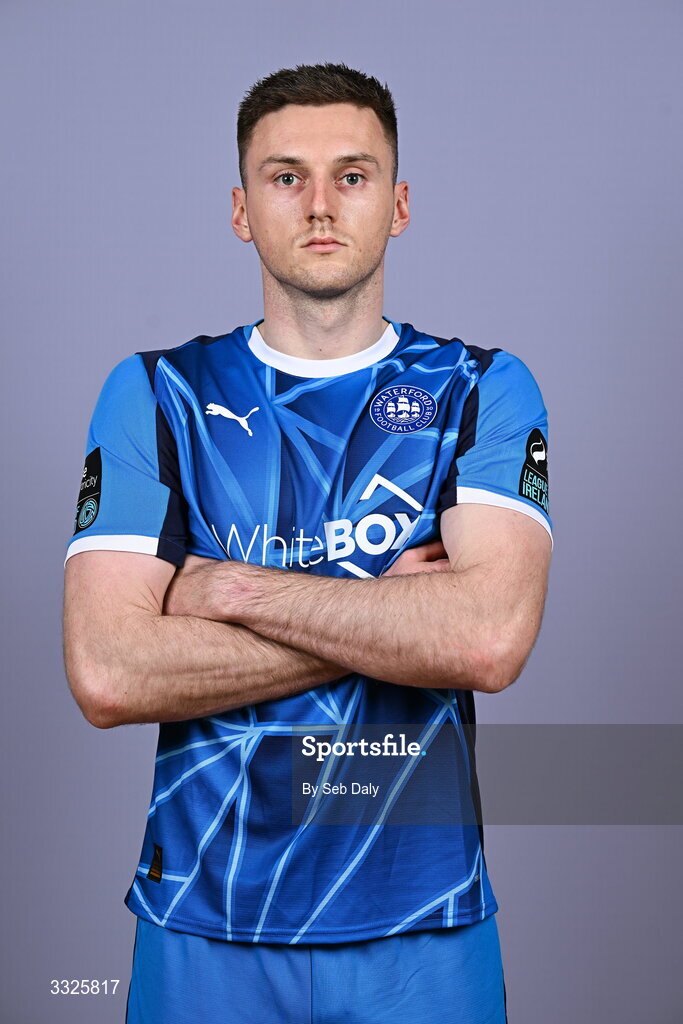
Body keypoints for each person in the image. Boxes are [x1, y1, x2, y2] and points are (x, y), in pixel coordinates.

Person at [63, 62, 552, 1024]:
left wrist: (233, 591)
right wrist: (390, 608)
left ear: (399, 203)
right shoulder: (154, 393)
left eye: (353, 175)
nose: (319, 205)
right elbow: (110, 672)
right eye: (285, 176)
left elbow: (485, 640)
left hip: (423, 922)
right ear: (242, 208)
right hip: (202, 919)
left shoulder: (479, 388)